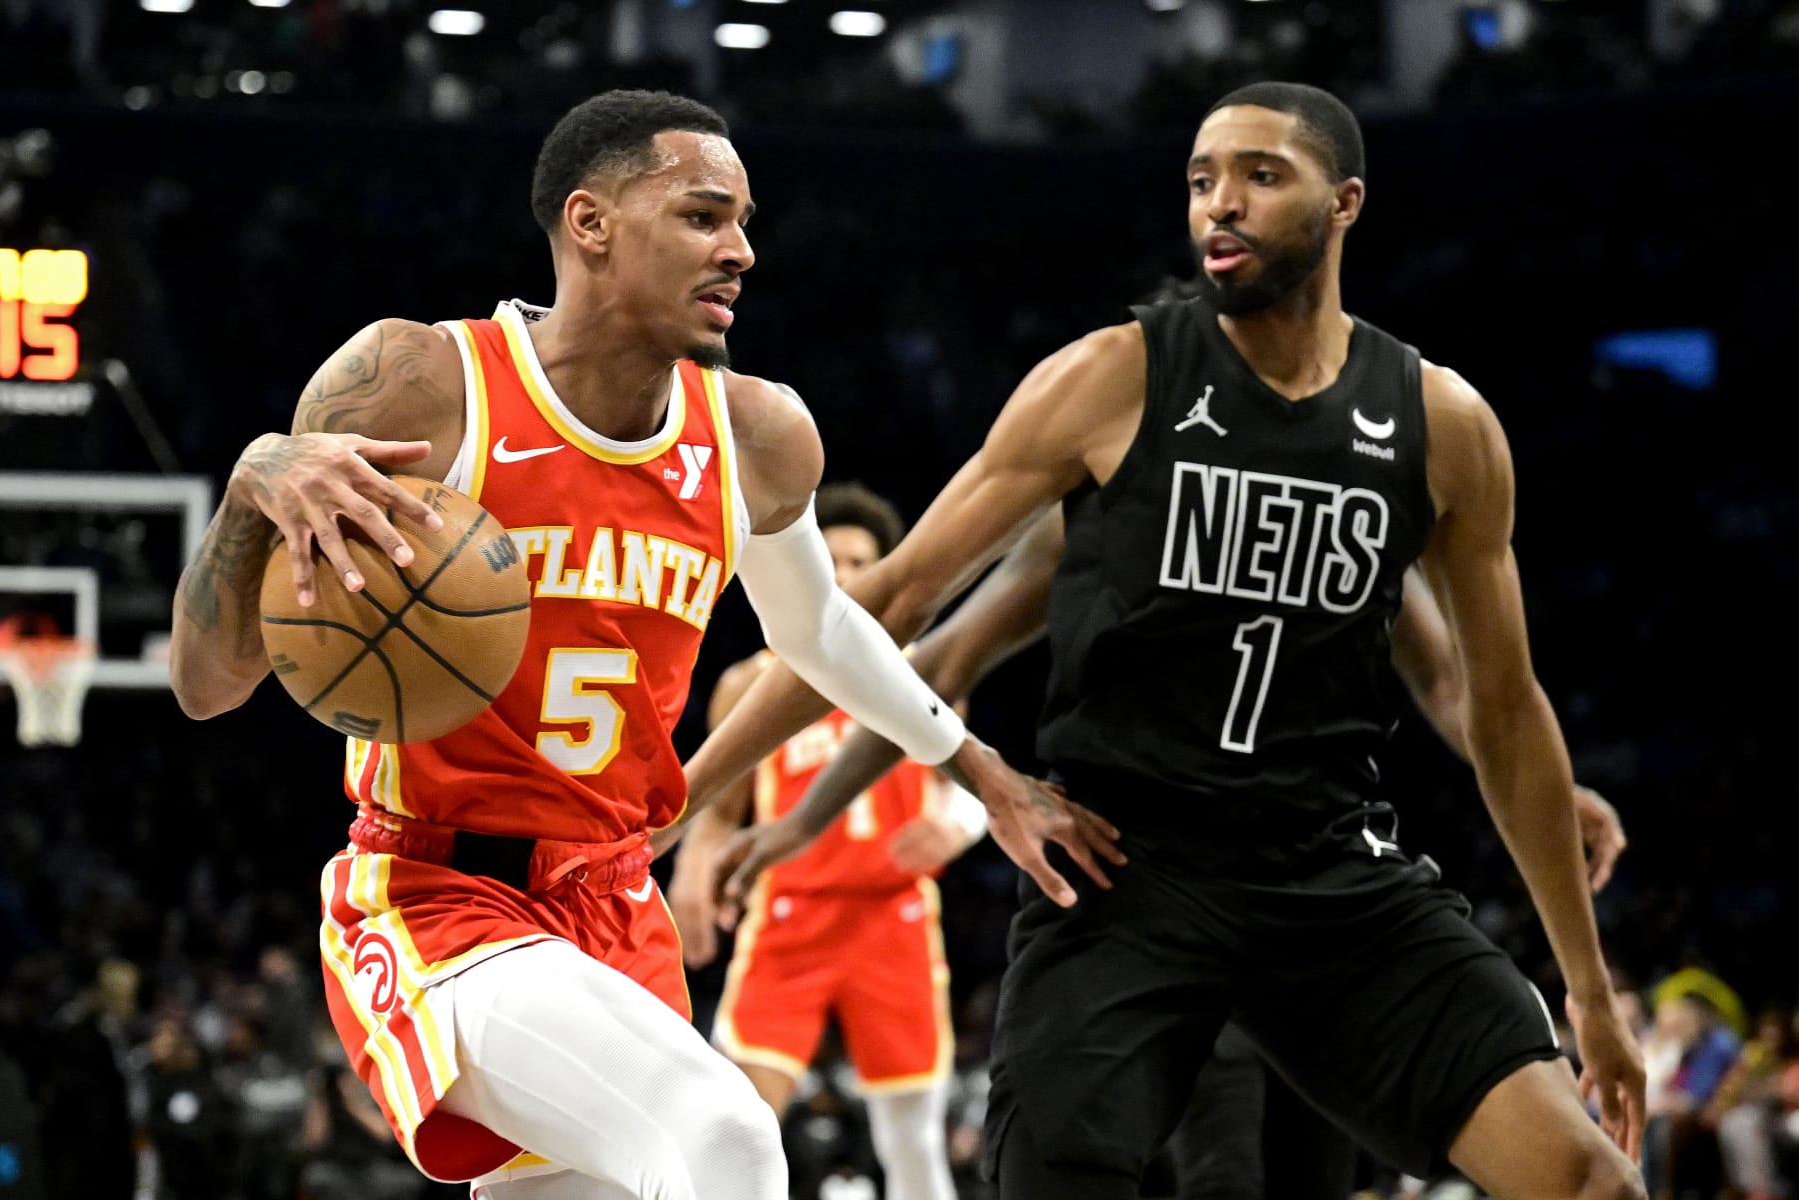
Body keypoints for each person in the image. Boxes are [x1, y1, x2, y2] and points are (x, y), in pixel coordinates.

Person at [677, 81, 1648, 1199]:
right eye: (1200, 180)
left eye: (1260, 176)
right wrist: (686, 797)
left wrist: (1590, 988)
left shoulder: (1444, 426)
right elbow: (893, 611)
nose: (1219, 203)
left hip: (1330, 873)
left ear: (1345, 203)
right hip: (1124, 874)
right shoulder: (1112, 381)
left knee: (1592, 1182)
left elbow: (1495, 703)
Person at [166, 89, 1114, 1200]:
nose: (741, 251)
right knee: (726, 1136)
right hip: (441, 896)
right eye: (703, 217)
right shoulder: (423, 385)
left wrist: (980, 770)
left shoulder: (756, 436)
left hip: (617, 905)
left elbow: (820, 631)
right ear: (591, 223)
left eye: (745, 222)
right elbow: (205, 684)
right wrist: (254, 485)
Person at [709, 506, 1629, 1199]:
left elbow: (1456, 684)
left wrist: (1553, 801)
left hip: (1327, 894)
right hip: (1134, 892)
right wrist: (782, 823)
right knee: (1189, 1176)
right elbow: (926, 646)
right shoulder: (1107, 434)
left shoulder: (1402, 431)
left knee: (1576, 1177)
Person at [667, 482, 987, 1200]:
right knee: (739, 1120)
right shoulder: (750, 681)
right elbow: (721, 808)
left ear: (882, 571)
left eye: (859, 562)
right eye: (830, 559)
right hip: (792, 914)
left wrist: (955, 827)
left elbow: (971, 783)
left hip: (893, 914)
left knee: (912, 1138)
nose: (842, 575)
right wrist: (691, 871)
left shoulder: (920, 666)